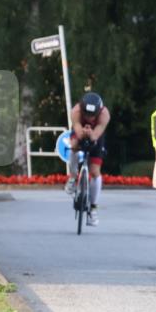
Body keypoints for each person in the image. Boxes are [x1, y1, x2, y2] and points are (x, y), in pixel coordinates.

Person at [64, 92, 110, 226]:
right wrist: (82, 134)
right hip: (80, 131)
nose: (89, 118)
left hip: (97, 134)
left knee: (95, 171)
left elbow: (97, 133)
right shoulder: (76, 111)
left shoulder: (104, 114)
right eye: (86, 115)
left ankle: (93, 208)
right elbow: (77, 129)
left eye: (92, 116)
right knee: (73, 146)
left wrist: (91, 135)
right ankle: (73, 177)